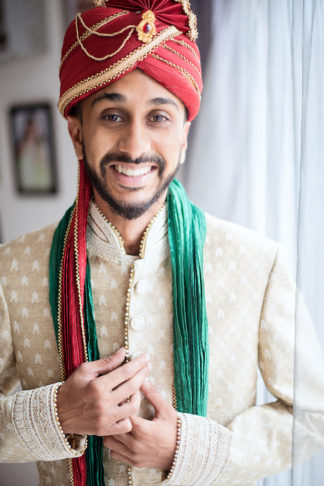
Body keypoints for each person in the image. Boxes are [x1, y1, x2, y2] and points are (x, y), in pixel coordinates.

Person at [1, 1, 324, 485]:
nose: (135, 146)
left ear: (185, 135)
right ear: (76, 133)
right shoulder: (12, 268)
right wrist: (57, 414)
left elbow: (313, 417)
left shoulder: (257, 263)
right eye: (112, 115)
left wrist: (188, 450)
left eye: (158, 117)